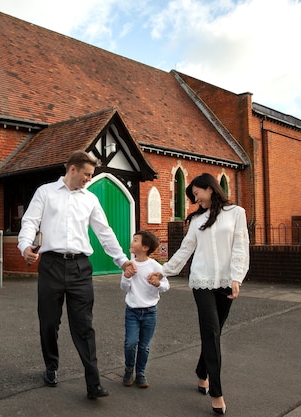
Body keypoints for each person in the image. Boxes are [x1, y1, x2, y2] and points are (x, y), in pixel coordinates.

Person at [17, 150, 137, 400]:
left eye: (91, 175)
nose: (88, 179)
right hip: (50, 265)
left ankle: (93, 382)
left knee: (84, 326)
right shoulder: (45, 192)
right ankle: (51, 366)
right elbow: (30, 221)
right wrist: (25, 246)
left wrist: (122, 260)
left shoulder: (90, 199)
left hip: (81, 268)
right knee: (49, 322)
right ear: (72, 169)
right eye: (87, 174)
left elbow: (105, 232)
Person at [148, 173, 249, 415]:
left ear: (210, 189)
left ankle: (202, 372)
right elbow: (185, 250)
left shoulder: (236, 213)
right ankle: (216, 392)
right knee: (211, 331)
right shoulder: (196, 219)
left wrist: (237, 277)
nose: (195, 198)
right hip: (202, 282)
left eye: (197, 193)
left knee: (215, 333)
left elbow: (240, 245)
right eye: (193, 195)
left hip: (226, 282)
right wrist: (163, 271)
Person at [120, 230, 169, 389]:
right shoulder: (129, 264)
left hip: (150, 312)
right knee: (130, 343)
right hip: (132, 311)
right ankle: (129, 369)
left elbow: (166, 286)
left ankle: (140, 373)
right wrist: (127, 277)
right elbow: (124, 287)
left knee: (144, 346)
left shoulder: (155, 266)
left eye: (136, 240)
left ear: (145, 247)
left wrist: (158, 284)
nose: (132, 242)